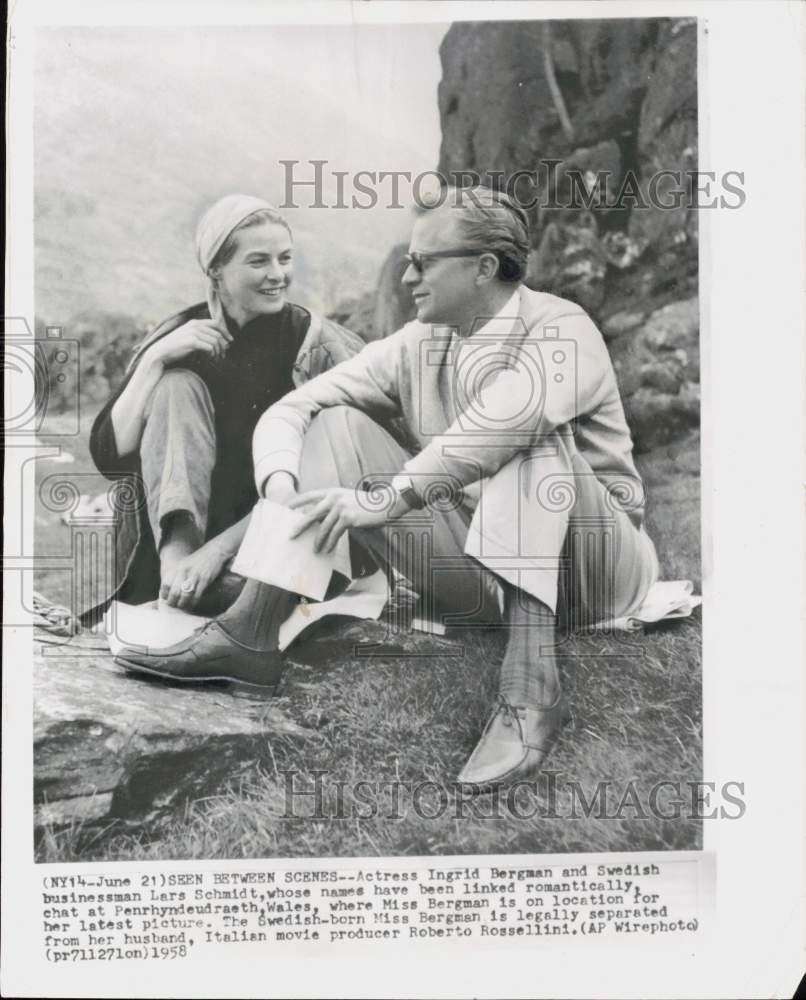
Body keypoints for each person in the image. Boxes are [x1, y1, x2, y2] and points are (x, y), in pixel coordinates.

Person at [115, 186, 659, 788]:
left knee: (529, 438)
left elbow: (509, 419)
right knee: (332, 420)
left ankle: (530, 685)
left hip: (597, 571)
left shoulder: (562, 326)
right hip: (481, 576)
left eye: (424, 262)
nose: (406, 276)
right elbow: (295, 408)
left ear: (482, 268)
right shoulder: (419, 343)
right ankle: (249, 633)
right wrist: (280, 489)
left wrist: (389, 496)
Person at [87, 194, 364, 620]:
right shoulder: (181, 333)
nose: (278, 275)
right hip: (186, 542)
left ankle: (219, 587)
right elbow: (111, 456)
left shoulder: (315, 344)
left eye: (285, 258)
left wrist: (218, 552)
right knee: (175, 384)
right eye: (259, 262)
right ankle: (174, 567)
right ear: (216, 268)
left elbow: (334, 468)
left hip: (277, 531)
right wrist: (156, 360)